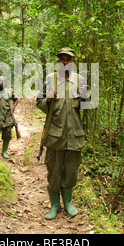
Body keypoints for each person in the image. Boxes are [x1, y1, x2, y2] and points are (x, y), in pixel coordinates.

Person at [36, 47, 88, 220]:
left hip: (74, 134)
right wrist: (48, 100)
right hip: (55, 134)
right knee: (54, 170)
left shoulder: (80, 80)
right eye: (62, 59)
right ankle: (54, 206)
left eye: (69, 59)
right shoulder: (50, 79)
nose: (65, 62)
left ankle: (68, 203)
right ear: (58, 62)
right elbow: (39, 102)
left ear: (73, 63)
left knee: (71, 170)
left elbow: (86, 106)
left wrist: (85, 96)